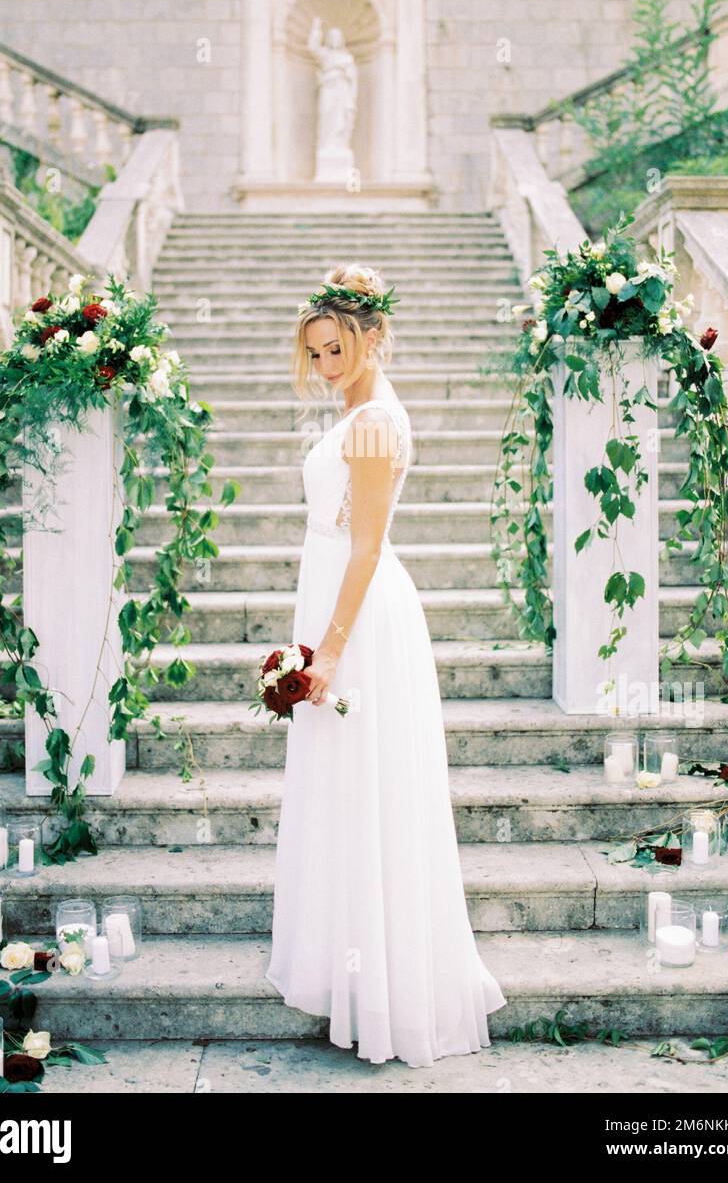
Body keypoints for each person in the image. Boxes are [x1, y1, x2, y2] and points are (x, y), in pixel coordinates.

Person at [264, 263, 507, 1068]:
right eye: (317, 353)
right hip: (338, 600)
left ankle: (383, 988)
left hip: (359, 615)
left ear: (372, 337)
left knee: (370, 788)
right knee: (348, 787)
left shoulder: (371, 423)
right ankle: (353, 967)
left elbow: (365, 544)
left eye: (338, 349)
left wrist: (329, 648)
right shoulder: (357, 408)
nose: (327, 364)